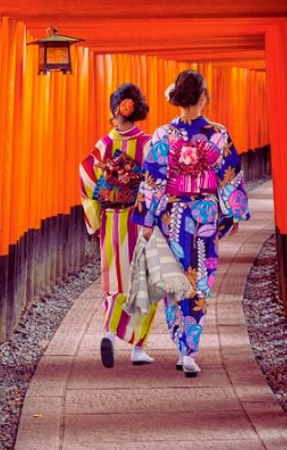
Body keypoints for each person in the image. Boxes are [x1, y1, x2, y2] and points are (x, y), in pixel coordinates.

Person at [133, 70, 251, 377]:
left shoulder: (162, 136)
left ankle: (180, 344)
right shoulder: (217, 134)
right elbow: (229, 175)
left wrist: (148, 219)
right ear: (203, 97)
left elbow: (152, 179)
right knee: (200, 280)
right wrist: (234, 211)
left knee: (176, 280)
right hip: (204, 214)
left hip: (173, 215)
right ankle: (189, 350)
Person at [79, 83, 157, 368]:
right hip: (140, 220)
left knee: (115, 278)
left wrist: (95, 217)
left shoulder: (104, 144)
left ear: (116, 110)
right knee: (145, 280)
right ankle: (138, 348)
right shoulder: (148, 143)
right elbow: (155, 182)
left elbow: (87, 175)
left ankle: (110, 333)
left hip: (112, 219)